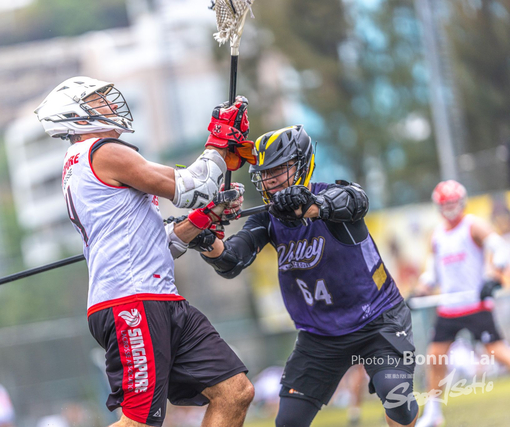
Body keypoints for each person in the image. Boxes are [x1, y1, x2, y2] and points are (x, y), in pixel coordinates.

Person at [34, 76, 255, 427]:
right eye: (98, 101)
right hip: (132, 302)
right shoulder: (101, 151)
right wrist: (218, 142)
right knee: (139, 422)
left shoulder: (91, 161)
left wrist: (205, 216)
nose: (111, 105)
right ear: (77, 117)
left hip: (157, 297)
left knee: (234, 392)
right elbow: (192, 187)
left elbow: (160, 244)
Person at [190, 125, 419, 427]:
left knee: (396, 397)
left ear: (301, 165)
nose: (271, 179)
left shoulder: (333, 195)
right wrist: (205, 239)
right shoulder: (267, 219)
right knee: (289, 422)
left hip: (377, 321)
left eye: (278, 169)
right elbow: (231, 260)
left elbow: (355, 200)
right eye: (265, 173)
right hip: (320, 335)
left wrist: (311, 207)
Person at [411, 180, 510, 427]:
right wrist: (419, 291)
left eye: (453, 203)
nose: (449, 209)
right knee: (435, 358)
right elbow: (432, 273)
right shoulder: (437, 236)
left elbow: (501, 250)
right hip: (449, 308)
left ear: (462, 202)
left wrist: (493, 277)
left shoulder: (473, 225)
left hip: (475, 304)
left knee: (498, 353)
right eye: (445, 204)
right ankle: (433, 413)